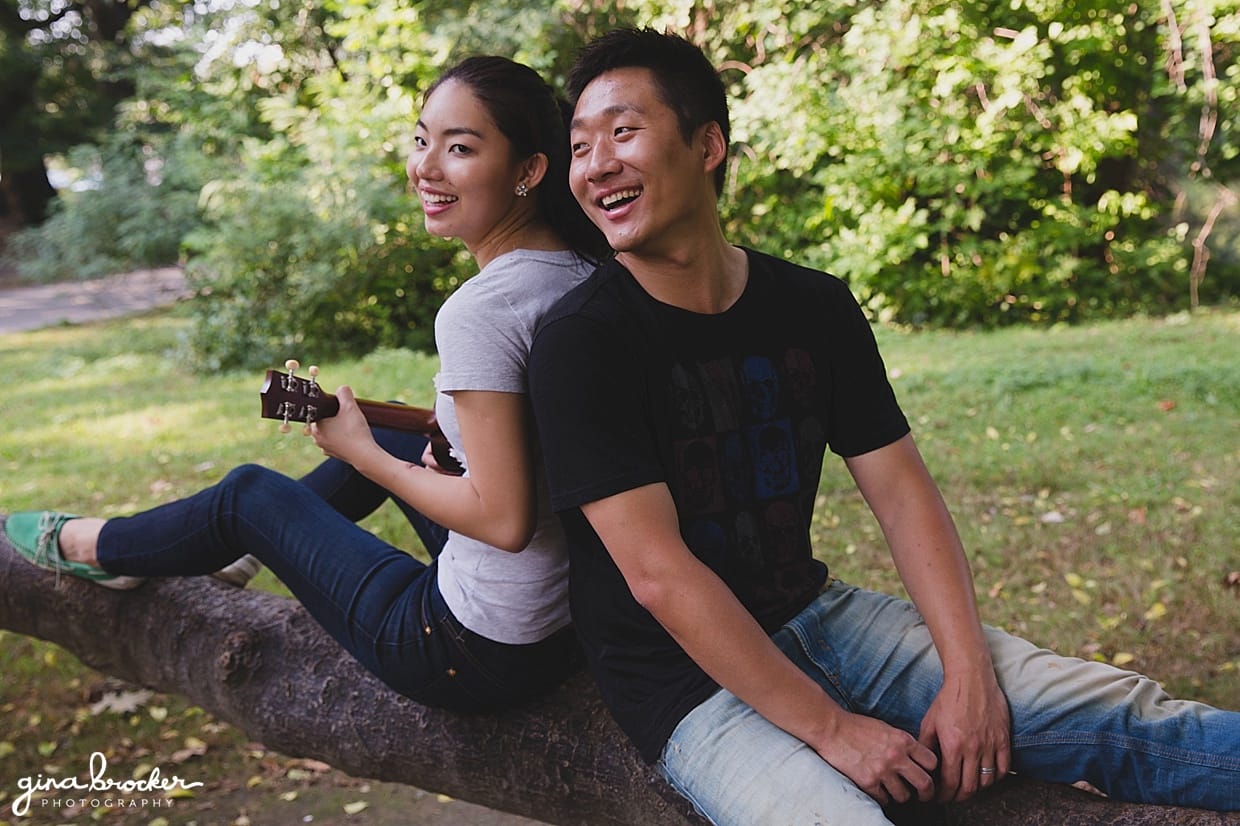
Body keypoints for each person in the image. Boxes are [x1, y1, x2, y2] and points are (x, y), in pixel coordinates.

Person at [526, 27, 1240, 824]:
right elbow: (658, 574)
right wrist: (834, 731)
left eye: (622, 132)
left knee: (1129, 719)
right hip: (687, 680)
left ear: (708, 145)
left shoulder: (813, 307)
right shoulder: (580, 340)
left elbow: (902, 494)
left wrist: (968, 674)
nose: (595, 166)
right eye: (580, 146)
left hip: (820, 618)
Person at [5, 55, 608, 712]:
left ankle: (100, 547)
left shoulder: (483, 310)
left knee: (249, 495)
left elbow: (504, 519)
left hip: (477, 648)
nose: (425, 168)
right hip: (572, 617)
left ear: (529, 170)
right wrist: (415, 436)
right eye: (420, 139)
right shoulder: (584, 269)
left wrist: (362, 455)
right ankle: (230, 550)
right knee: (384, 427)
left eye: (459, 147)